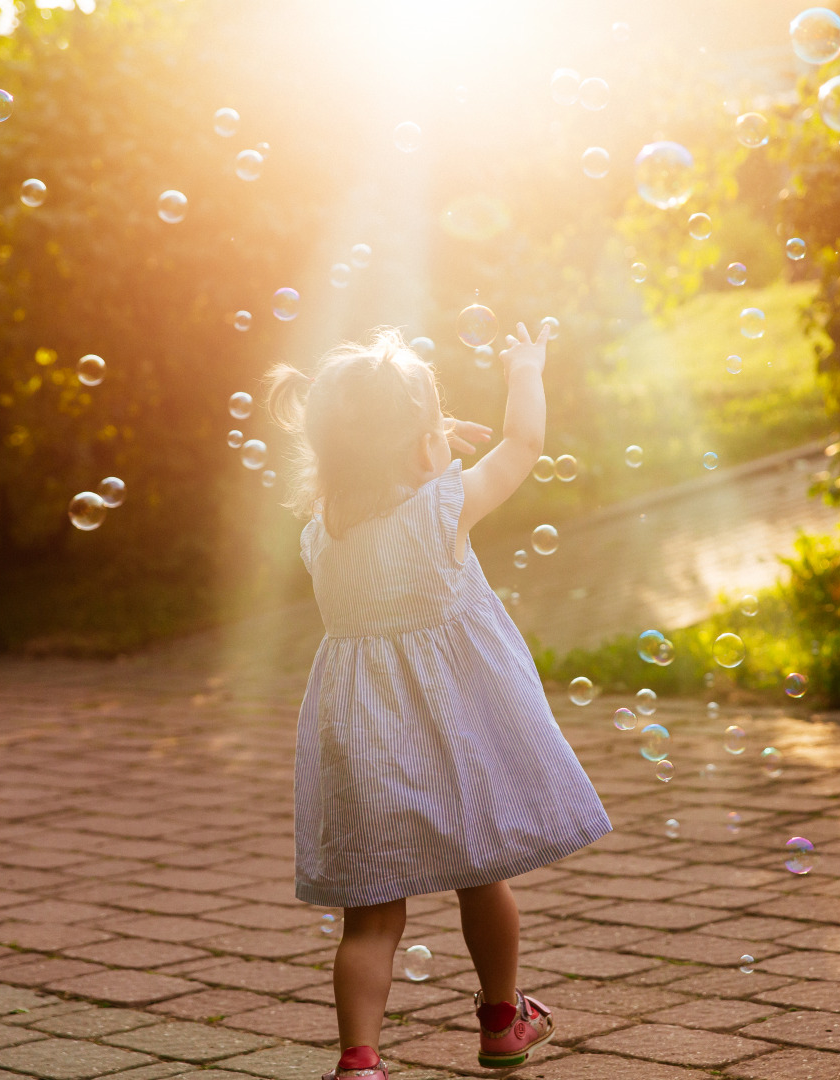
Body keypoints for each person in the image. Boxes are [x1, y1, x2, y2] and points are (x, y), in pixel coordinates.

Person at [266, 322, 611, 1080]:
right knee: (481, 875)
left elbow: (374, 474)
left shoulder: (321, 534)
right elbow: (520, 445)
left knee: (370, 917)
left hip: (363, 740)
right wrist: (525, 368)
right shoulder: (443, 508)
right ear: (423, 447)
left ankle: (359, 1060)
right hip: (456, 735)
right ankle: (501, 1018)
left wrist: (420, 443)